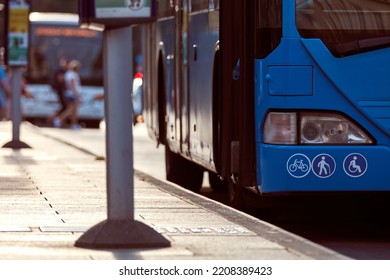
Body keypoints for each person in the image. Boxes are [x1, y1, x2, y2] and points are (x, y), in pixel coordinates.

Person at [53, 60, 81, 129]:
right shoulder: (73, 74)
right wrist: (76, 94)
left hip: (68, 94)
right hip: (72, 94)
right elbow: (72, 84)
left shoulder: (68, 73)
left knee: (73, 110)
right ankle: (59, 119)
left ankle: (74, 124)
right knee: (71, 110)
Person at [48, 59, 68, 124]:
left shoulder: (62, 71)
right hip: (60, 92)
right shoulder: (60, 71)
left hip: (60, 91)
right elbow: (60, 79)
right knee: (65, 107)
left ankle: (59, 121)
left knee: (64, 108)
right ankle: (54, 118)